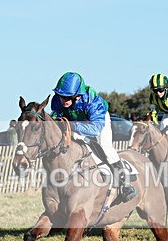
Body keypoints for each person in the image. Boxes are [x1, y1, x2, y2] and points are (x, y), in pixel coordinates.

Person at [51, 71, 137, 203]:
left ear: (77, 96)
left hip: (97, 122)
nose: (63, 100)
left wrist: (73, 127)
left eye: (68, 97)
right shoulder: (57, 100)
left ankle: (125, 184)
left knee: (105, 147)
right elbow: (55, 116)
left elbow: (95, 129)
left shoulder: (92, 100)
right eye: (61, 96)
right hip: (76, 122)